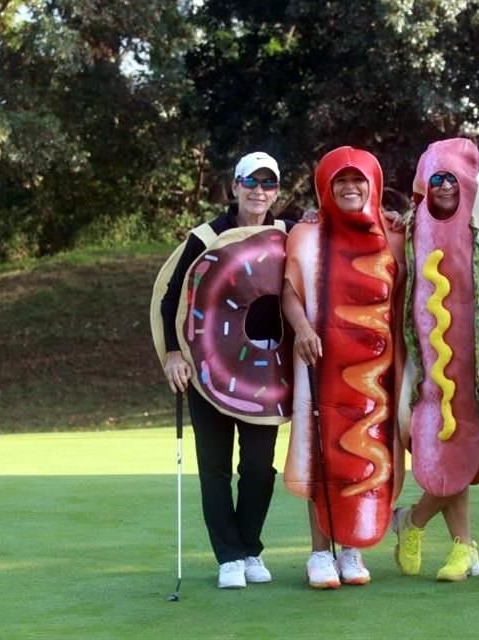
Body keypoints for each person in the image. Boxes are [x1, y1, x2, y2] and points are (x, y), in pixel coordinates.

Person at [159, 151, 294, 589]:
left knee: (258, 467)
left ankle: (250, 547)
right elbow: (170, 298)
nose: (259, 191)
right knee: (214, 466)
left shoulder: (288, 234)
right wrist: (173, 355)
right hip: (207, 367)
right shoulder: (205, 236)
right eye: (250, 182)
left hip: (265, 374)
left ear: (276, 190)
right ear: (234, 186)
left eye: (268, 183)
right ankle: (229, 556)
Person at [391, 138, 479, 582]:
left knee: (474, 445)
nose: (444, 186)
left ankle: (414, 520)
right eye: (436, 178)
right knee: (443, 447)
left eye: (451, 177)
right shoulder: (407, 229)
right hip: (426, 368)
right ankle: (463, 549)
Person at [282, 146, 405, 589]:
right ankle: (319, 552)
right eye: (340, 181)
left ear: (373, 185)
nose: (350, 188)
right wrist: (301, 329)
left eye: (359, 180)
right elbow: (291, 291)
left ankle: (352, 549)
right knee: (321, 452)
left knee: (368, 455)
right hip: (322, 365)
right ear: (325, 187)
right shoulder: (307, 234)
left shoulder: (393, 235)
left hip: (378, 374)